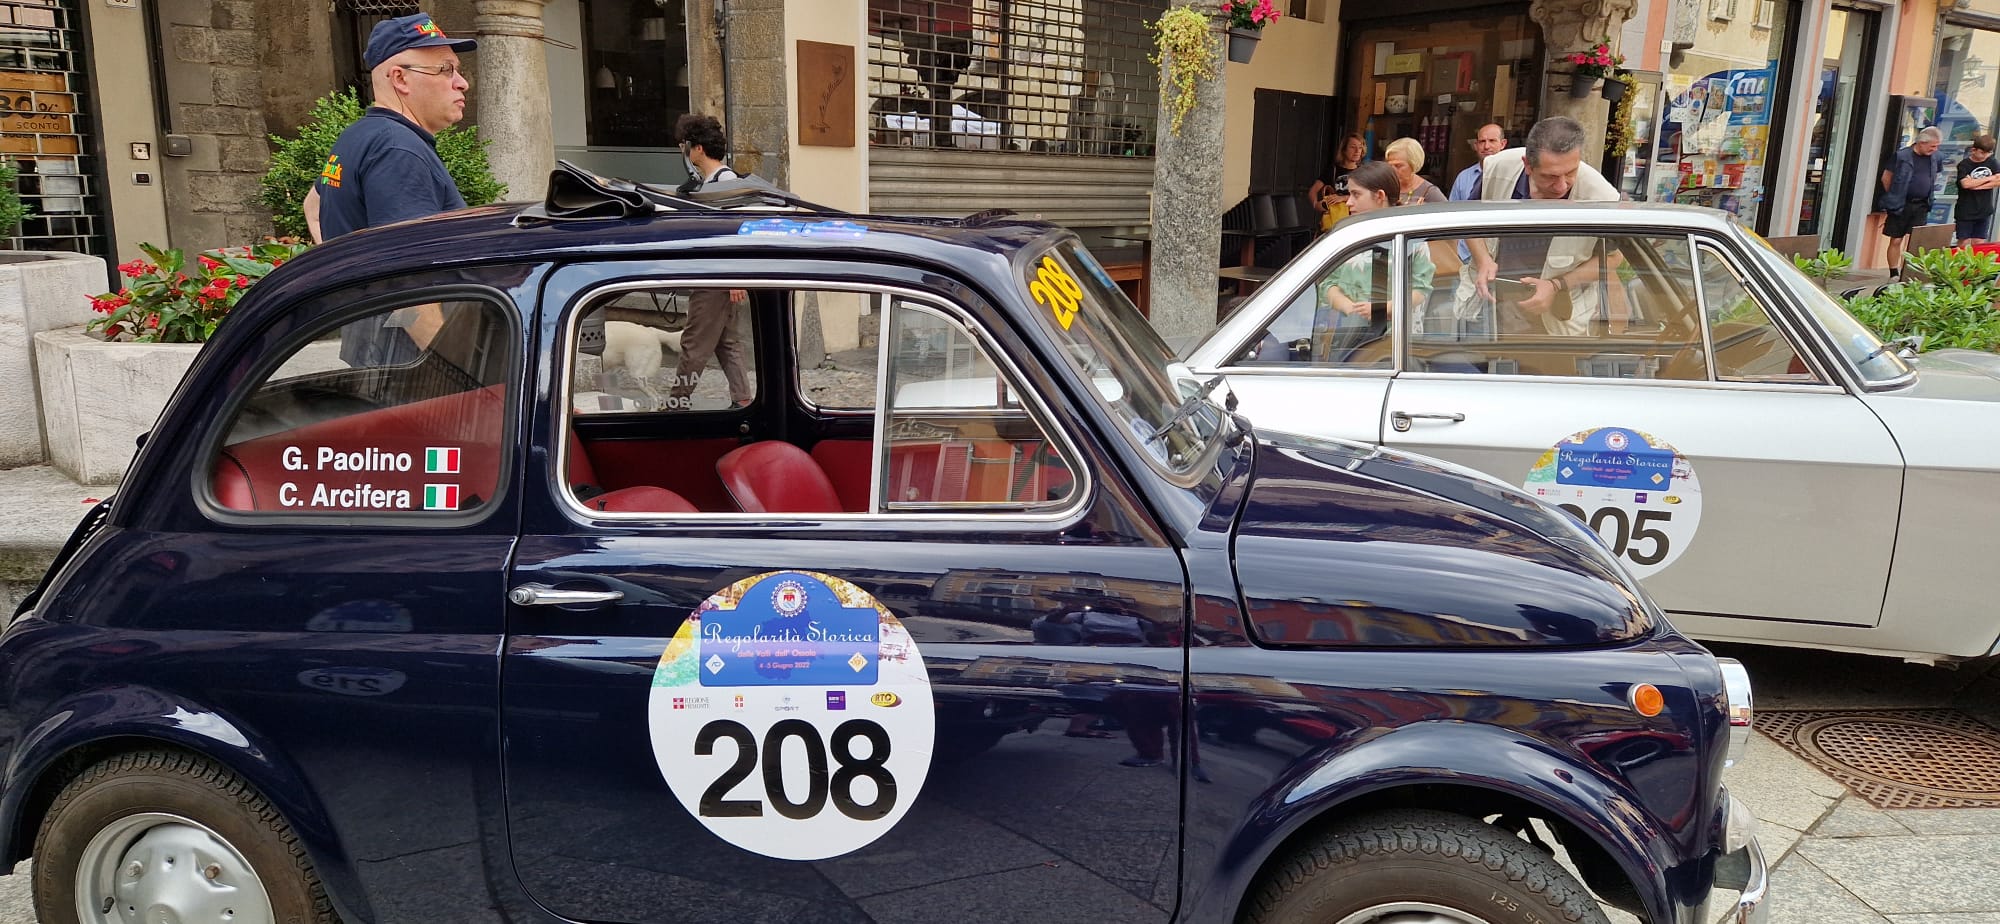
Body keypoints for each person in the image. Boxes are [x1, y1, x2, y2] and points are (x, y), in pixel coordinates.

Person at [302, 12, 476, 368]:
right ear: (400, 78)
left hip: (375, 349)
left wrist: (353, 280)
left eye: (458, 71)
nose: (462, 83)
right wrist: (462, 373)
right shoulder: (398, 151)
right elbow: (408, 284)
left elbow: (313, 206)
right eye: (446, 70)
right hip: (410, 364)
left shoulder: (358, 137)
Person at [1469, 116, 1621, 336]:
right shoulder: (1497, 168)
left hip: (1557, 322)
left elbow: (1614, 258)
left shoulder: (1602, 196)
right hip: (1489, 305)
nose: (1561, 186)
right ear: (1527, 165)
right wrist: (1483, 259)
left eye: (1571, 173)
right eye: (1550, 176)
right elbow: (1469, 221)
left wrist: (1557, 285)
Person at [667, 114, 753, 410]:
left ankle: (677, 402)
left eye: (684, 145)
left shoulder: (724, 182)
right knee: (727, 342)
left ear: (698, 148)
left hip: (717, 277)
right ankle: (742, 398)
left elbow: (737, 232)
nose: (683, 152)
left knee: (694, 343)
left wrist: (735, 277)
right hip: (719, 275)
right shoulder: (711, 182)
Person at [1311, 161, 1435, 362]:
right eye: (1349, 194)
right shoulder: (1347, 234)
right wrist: (1348, 307)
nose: (1348, 202)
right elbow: (1327, 283)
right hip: (1347, 338)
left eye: (1356, 195)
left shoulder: (1411, 239)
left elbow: (1421, 290)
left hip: (1395, 345)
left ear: (1379, 196)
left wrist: (1381, 309)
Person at [1878, 126, 1943, 278]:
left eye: (1937, 146)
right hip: (1901, 204)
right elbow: (1886, 178)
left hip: (1922, 204)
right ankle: (1894, 273)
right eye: (1932, 146)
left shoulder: (1936, 157)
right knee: (1896, 239)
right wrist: (1895, 195)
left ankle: (1909, 273)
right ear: (1921, 142)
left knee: (1916, 241)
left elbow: (1935, 176)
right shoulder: (1902, 156)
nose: (1935, 149)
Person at [1309, 133, 1367, 232]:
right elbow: (1313, 191)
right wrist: (1317, 205)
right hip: (1335, 222)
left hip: (1355, 221)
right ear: (1344, 150)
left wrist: (1343, 198)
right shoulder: (1333, 170)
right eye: (1353, 147)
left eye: (1360, 147)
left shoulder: (1364, 172)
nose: (1357, 151)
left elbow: (1366, 196)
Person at [1955, 134, 1999, 248]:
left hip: (1984, 210)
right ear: (1973, 150)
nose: (1985, 156)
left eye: (1988, 153)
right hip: (1966, 211)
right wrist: (1990, 178)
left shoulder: (1992, 162)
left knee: (1979, 243)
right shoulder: (1964, 165)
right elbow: (1966, 184)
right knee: (1964, 243)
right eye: (1982, 153)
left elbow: (1998, 180)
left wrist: (1977, 185)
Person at [1383, 137, 1446, 206]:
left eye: (1398, 166)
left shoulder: (1430, 192)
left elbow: (1448, 211)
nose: (1393, 170)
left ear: (1413, 165)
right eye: (1390, 166)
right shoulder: (1383, 187)